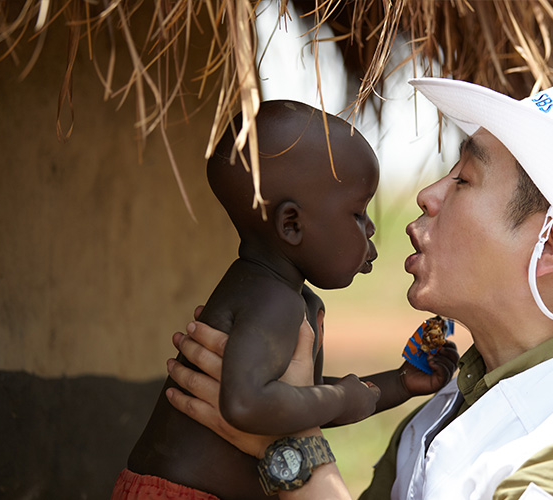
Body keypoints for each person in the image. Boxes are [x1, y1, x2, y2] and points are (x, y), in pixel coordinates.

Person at [163, 79, 553, 500]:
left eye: (464, 179)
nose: (427, 195)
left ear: (550, 245)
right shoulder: (447, 408)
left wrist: (289, 448)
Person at [115, 101, 459, 500]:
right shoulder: (271, 301)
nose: (370, 228)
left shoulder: (289, 296)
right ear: (291, 224)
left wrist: (396, 383)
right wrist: (343, 397)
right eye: (357, 213)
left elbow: (294, 401)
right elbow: (248, 405)